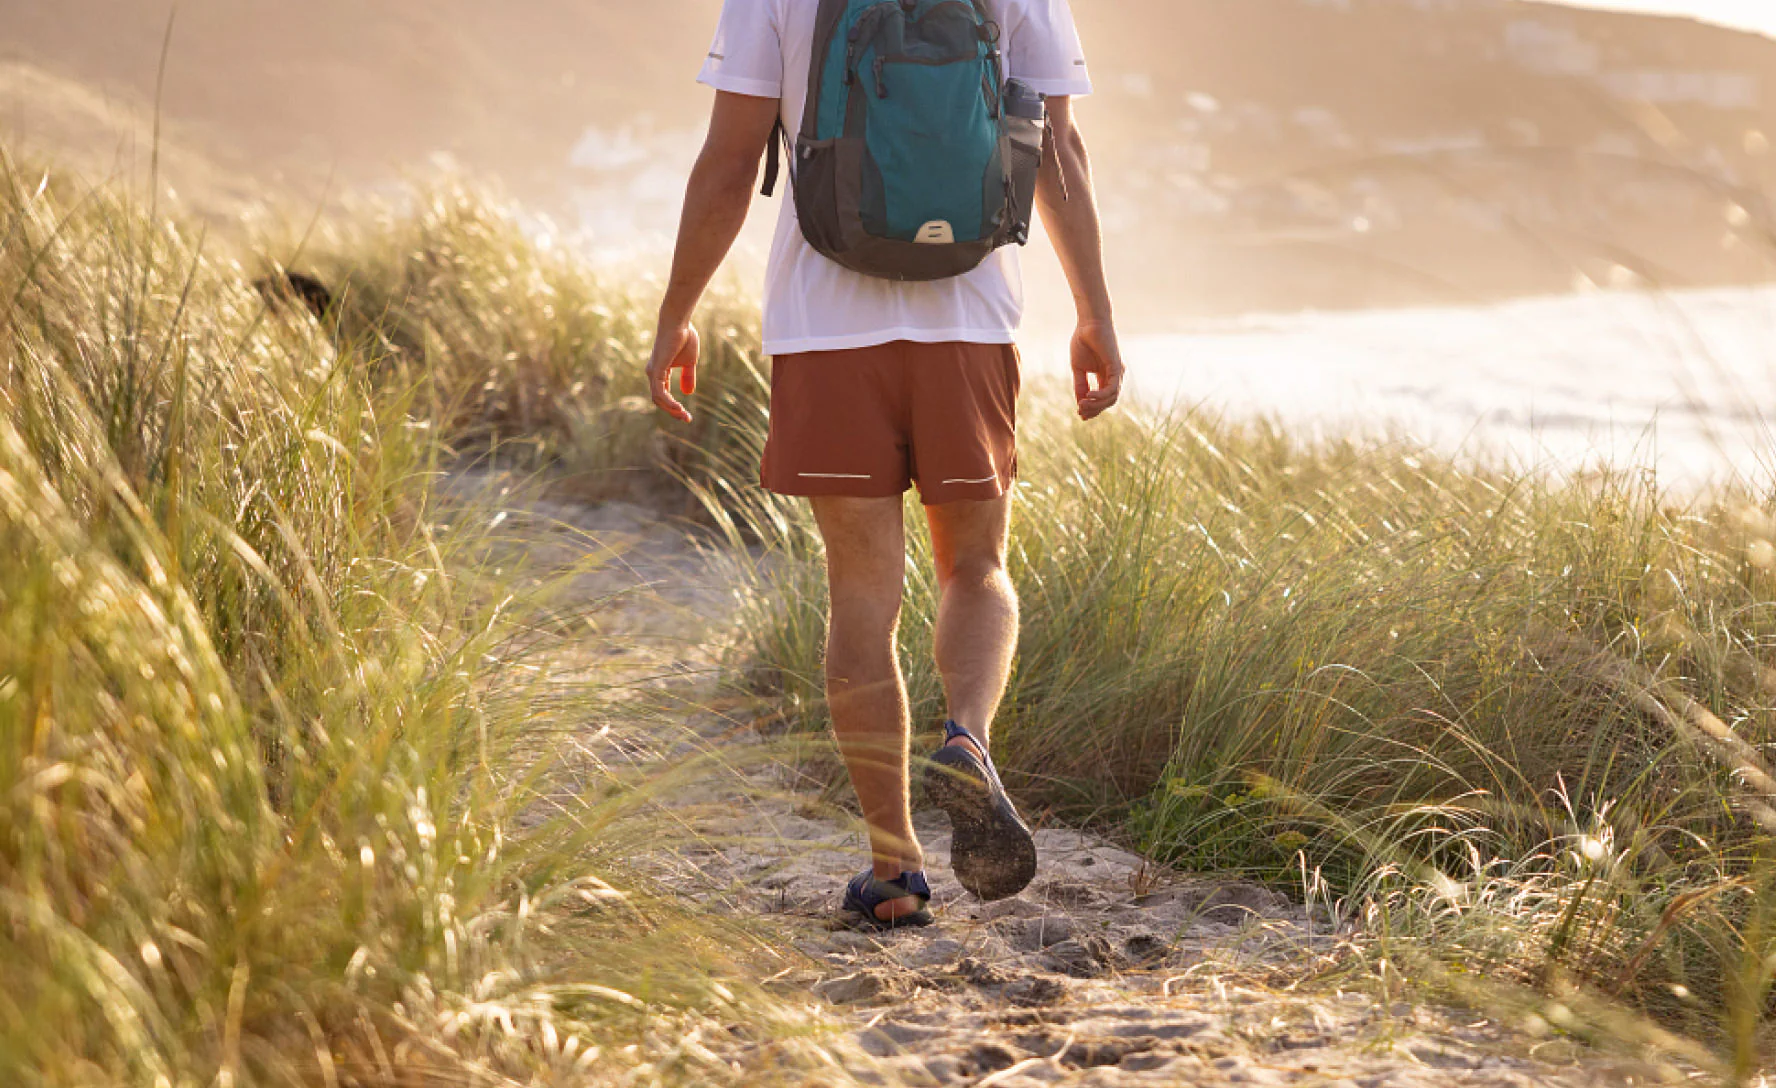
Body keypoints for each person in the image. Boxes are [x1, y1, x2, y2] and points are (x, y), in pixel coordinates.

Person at [646, 0, 1123, 928]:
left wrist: (677, 311)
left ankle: (896, 871)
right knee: (977, 569)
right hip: (969, 318)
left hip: (825, 331)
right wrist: (1094, 310)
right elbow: (1060, 152)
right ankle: (968, 741)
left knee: (863, 596)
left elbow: (730, 161)